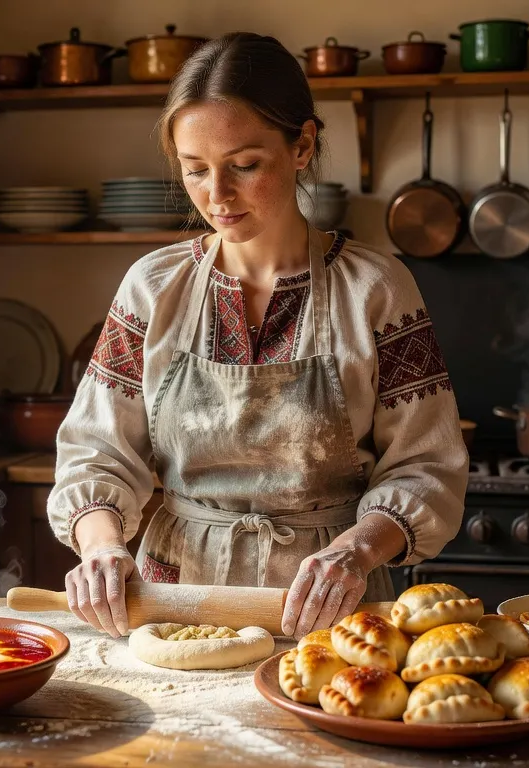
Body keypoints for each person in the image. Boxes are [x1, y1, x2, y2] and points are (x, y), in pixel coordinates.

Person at [47, 32, 469, 640]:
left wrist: (355, 552)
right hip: (173, 602)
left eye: (244, 165)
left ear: (302, 146)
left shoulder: (375, 289)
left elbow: (427, 469)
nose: (217, 196)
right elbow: (97, 450)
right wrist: (100, 547)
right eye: (196, 171)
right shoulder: (152, 288)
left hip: (329, 611)